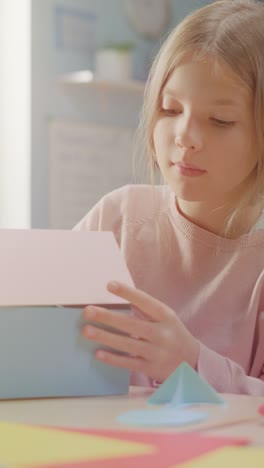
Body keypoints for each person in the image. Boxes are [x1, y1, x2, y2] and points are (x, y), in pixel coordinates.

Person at [75, 0, 264, 396]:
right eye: (170, 108)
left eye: (220, 120)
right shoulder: (116, 219)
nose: (184, 136)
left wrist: (192, 363)